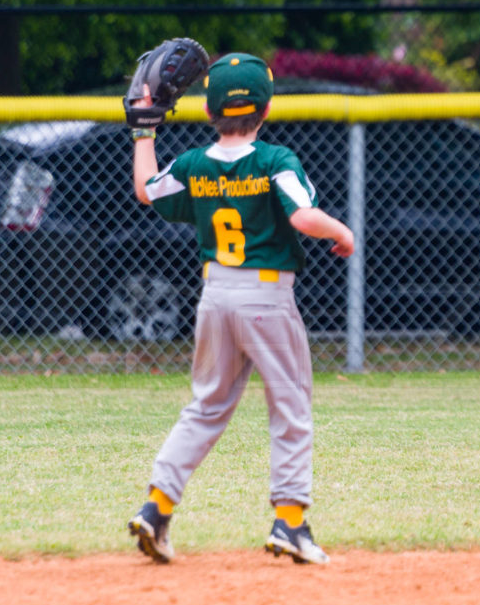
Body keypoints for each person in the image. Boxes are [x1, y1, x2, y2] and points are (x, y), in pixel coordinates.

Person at [126, 52, 354, 564]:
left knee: (206, 406)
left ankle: (157, 507)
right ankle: (290, 524)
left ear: (209, 113)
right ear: (267, 109)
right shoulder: (275, 161)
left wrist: (145, 131)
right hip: (266, 298)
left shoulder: (193, 165)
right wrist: (341, 232)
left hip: (214, 297)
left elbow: (146, 191)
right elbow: (302, 216)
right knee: (291, 407)